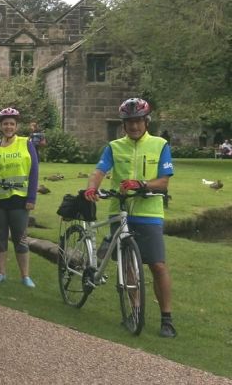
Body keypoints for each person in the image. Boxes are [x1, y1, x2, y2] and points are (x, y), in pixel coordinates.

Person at [84, 97, 176, 338]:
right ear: (123, 125)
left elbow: (164, 182)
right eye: (129, 122)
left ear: (146, 122)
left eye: (138, 121)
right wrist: (92, 187)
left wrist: (142, 184)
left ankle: (167, 318)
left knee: (157, 265)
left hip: (149, 211)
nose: (134, 126)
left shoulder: (160, 144)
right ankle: (135, 310)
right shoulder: (114, 146)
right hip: (120, 210)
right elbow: (99, 171)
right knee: (128, 265)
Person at [0, 108, 38, 287]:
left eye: (11, 124)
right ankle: (1, 273)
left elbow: (34, 171)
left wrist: (31, 198)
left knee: (20, 238)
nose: (8, 127)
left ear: (16, 126)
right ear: (1, 126)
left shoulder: (25, 143)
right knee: (0, 236)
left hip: (19, 200)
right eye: (5, 123)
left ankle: (25, 276)